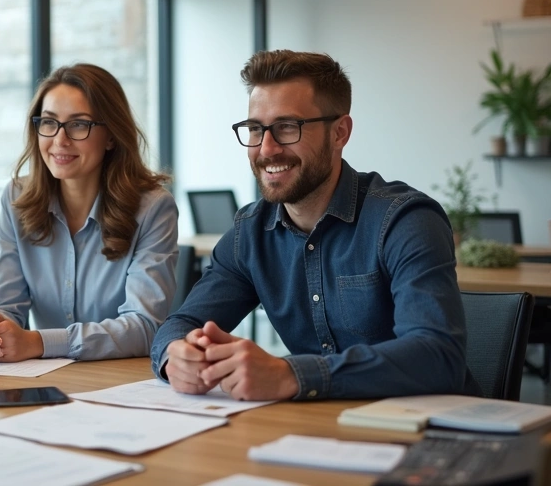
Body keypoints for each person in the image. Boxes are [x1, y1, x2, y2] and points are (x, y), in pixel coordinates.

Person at [151, 49, 481, 401]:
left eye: (287, 127)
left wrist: (291, 374)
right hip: (319, 429)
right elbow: (180, 325)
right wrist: (176, 355)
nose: (267, 149)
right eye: (255, 129)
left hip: (428, 433)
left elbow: (437, 357)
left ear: (339, 132)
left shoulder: (404, 221)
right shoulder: (250, 233)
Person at [0, 63, 178, 362]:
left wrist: (39, 342)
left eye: (79, 124)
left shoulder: (152, 208)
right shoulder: (16, 198)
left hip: (120, 382)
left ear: (111, 136)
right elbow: (8, 305)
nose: (60, 140)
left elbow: (144, 326)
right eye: (49, 123)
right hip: (42, 379)